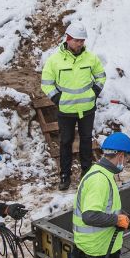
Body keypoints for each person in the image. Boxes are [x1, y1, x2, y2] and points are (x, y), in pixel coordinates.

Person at [42, 23, 107, 190]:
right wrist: (57, 98)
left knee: (86, 140)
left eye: (82, 41)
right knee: (66, 142)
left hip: (87, 109)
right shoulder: (54, 61)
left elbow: (101, 76)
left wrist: (94, 92)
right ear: (68, 39)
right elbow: (47, 83)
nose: (80, 44)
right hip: (66, 110)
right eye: (77, 40)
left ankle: (86, 172)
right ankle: (65, 176)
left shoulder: (91, 58)